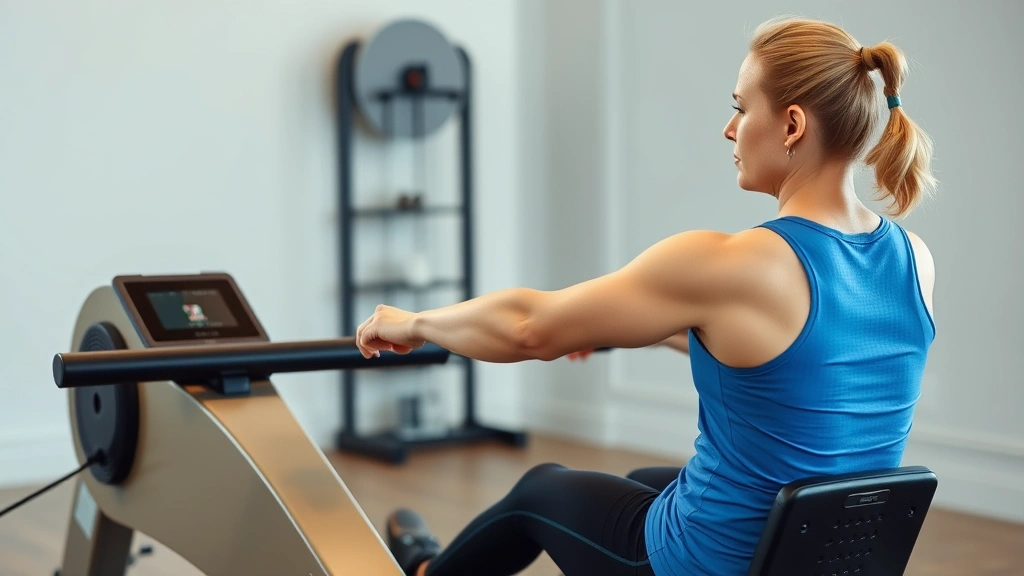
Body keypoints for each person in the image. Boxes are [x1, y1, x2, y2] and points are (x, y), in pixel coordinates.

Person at [355, 16, 937, 576]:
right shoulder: (913, 259)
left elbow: (529, 328)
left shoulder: (737, 263)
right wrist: (647, 331)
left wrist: (415, 323)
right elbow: (800, 363)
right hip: (832, 555)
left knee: (540, 489)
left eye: (740, 107)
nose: (729, 128)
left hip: (710, 564)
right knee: (642, 482)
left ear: (792, 126)